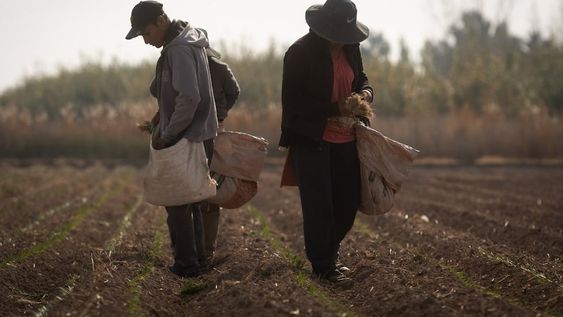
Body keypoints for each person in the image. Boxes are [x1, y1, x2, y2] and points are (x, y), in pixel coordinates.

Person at [279, 0, 374, 285]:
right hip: (312, 139)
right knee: (319, 206)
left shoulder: (351, 49)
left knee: (347, 203)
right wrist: (336, 109)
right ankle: (324, 266)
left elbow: (363, 80)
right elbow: (294, 104)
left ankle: (329, 254)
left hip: (347, 138)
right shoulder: (299, 53)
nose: (342, 40)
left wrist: (366, 94)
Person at [125, 0, 218, 278]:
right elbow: (179, 95)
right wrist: (159, 116)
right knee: (191, 199)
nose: (145, 41)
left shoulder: (178, 50)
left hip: (187, 136)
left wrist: (168, 134)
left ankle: (187, 265)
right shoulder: (186, 42)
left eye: (146, 33)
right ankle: (198, 260)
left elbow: (189, 97)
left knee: (177, 203)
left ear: (161, 20)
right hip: (196, 133)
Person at [197, 28, 241, 263]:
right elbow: (235, 91)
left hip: (190, 132)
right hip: (216, 130)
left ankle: (194, 249)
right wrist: (222, 112)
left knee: (195, 187)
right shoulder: (221, 68)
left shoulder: (184, 65)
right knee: (210, 187)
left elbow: (156, 88)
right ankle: (206, 249)